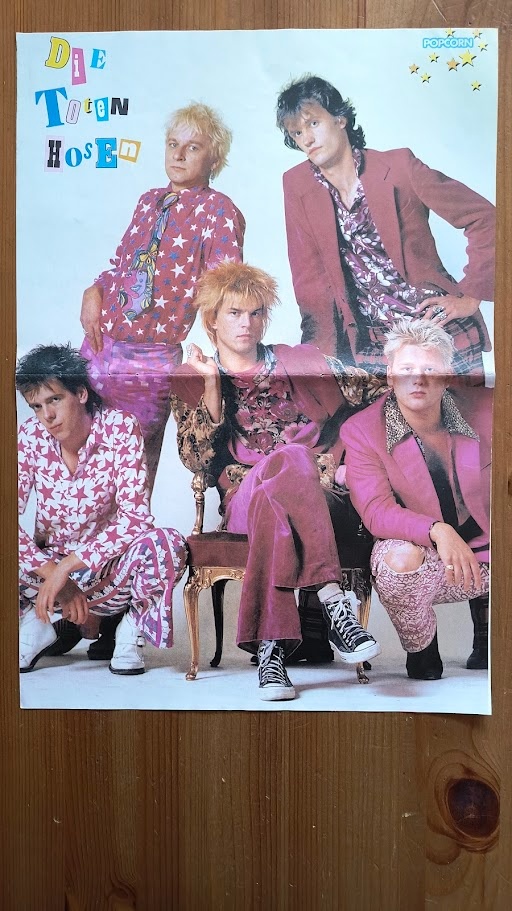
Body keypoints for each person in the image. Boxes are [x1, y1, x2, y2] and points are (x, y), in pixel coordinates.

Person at [169, 261, 384, 702]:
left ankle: (271, 655)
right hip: (242, 496)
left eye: (256, 313)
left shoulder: (301, 361)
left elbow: (379, 391)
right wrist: (211, 387)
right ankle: (334, 601)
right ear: (212, 319)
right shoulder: (194, 378)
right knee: (288, 460)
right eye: (234, 313)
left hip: (319, 495)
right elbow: (195, 459)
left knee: (282, 488)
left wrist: (352, 460)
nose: (246, 323)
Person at [276, 75, 495, 381]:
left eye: (313, 123)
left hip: (434, 323)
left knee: (459, 411)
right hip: (371, 337)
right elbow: (309, 281)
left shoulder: (399, 167)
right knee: (368, 413)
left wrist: (470, 296)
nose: (307, 139)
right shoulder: (297, 184)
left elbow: (486, 218)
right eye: (297, 132)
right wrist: (318, 361)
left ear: (340, 119)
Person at [80, 102, 245, 491]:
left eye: (193, 147)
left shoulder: (218, 210)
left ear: (214, 159)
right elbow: (121, 264)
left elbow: (226, 290)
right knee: (80, 464)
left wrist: (221, 357)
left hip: (149, 358)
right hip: (100, 347)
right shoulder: (147, 200)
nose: (179, 154)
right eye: (173, 144)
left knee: (130, 474)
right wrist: (94, 289)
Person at [17, 344, 187, 675]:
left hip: (106, 576)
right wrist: (54, 573)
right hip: (46, 581)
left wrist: (67, 568)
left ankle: (130, 630)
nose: (47, 415)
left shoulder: (120, 427)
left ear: (81, 393)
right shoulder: (30, 436)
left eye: (54, 400)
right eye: (37, 406)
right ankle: (37, 624)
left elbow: (136, 519)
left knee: (167, 544)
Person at [340, 320, 491, 679]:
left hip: (493, 549)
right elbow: (376, 511)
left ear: (448, 376)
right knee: (396, 560)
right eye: (407, 370)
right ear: (391, 375)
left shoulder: (490, 408)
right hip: (428, 556)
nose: (418, 379)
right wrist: (437, 530)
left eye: (430, 370)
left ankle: (490, 633)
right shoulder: (362, 430)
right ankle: (422, 650)